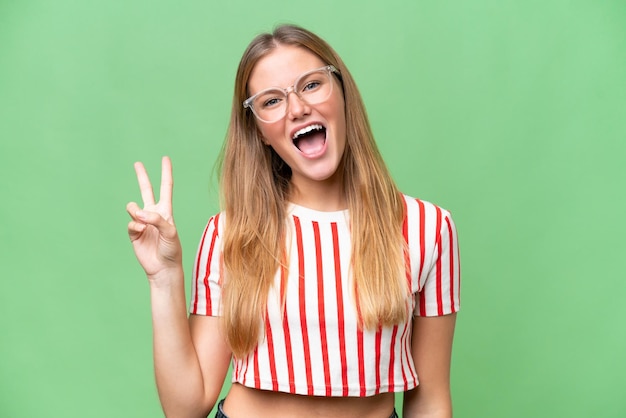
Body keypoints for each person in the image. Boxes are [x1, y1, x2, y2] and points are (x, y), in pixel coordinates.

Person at [126, 24, 460, 418]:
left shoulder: (427, 227)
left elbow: (431, 399)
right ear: (261, 132)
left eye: (311, 85)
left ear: (342, 93)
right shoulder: (229, 234)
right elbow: (186, 406)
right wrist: (163, 278)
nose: (298, 108)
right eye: (271, 101)